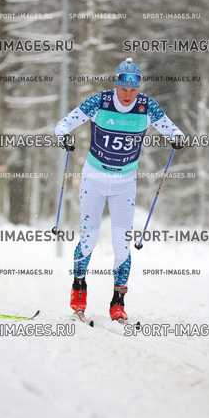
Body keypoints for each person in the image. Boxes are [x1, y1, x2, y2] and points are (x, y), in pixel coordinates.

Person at [55, 57, 184, 321]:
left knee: (122, 243)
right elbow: (62, 125)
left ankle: (118, 302)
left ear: (138, 89)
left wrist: (178, 139)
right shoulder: (99, 102)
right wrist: (64, 136)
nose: (128, 95)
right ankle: (79, 291)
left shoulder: (147, 107)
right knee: (89, 239)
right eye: (123, 89)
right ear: (116, 85)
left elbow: (174, 131)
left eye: (133, 90)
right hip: (94, 178)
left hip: (124, 183)